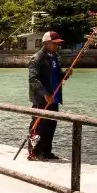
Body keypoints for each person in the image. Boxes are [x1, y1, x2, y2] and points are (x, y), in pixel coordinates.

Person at [27, 31, 71, 160]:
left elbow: (57, 76)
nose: (57, 46)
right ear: (46, 43)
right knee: (38, 126)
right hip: (41, 100)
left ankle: (46, 151)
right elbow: (33, 79)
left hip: (54, 98)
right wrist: (44, 94)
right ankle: (33, 152)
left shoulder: (55, 57)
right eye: (55, 44)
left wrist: (65, 75)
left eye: (58, 44)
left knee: (51, 126)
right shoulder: (37, 57)